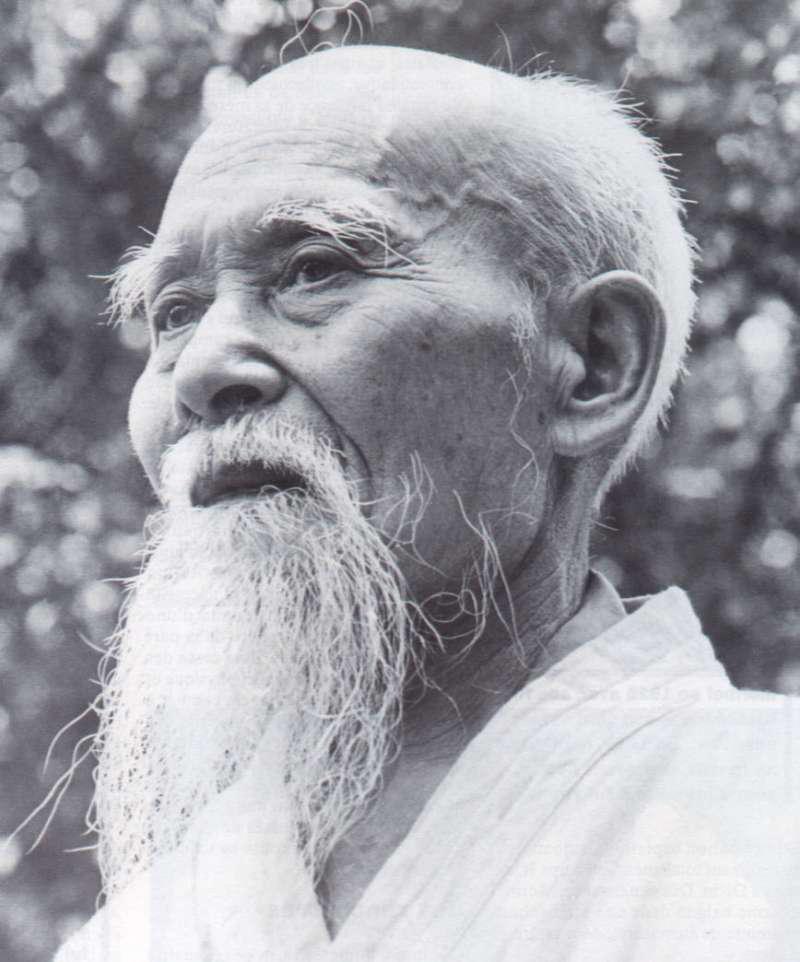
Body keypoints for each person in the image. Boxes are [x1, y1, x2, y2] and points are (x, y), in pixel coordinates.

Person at [54, 45, 798, 962]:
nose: (202, 371)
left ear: (594, 366)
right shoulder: (134, 937)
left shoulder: (771, 828)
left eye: (313, 268)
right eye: (172, 311)